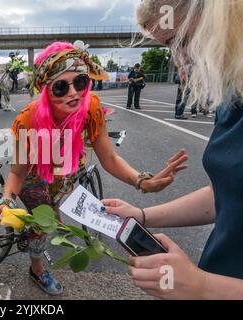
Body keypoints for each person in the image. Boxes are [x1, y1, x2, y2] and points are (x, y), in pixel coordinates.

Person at [0, 41, 188, 296]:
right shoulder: (27, 119)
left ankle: (46, 222)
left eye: (80, 82)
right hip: (34, 175)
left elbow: (109, 158)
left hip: (67, 171)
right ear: (46, 91)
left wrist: (142, 181)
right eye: (61, 87)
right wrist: (5, 201)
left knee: (55, 211)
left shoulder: (91, 105)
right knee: (43, 225)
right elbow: (17, 173)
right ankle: (36, 268)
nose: (73, 93)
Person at [102, 0, 243, 299]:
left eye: (181, 41)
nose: (178, 59)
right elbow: (229, 195)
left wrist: (203, 287)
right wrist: (141, 215)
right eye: (169, 47)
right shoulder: (233, 99)